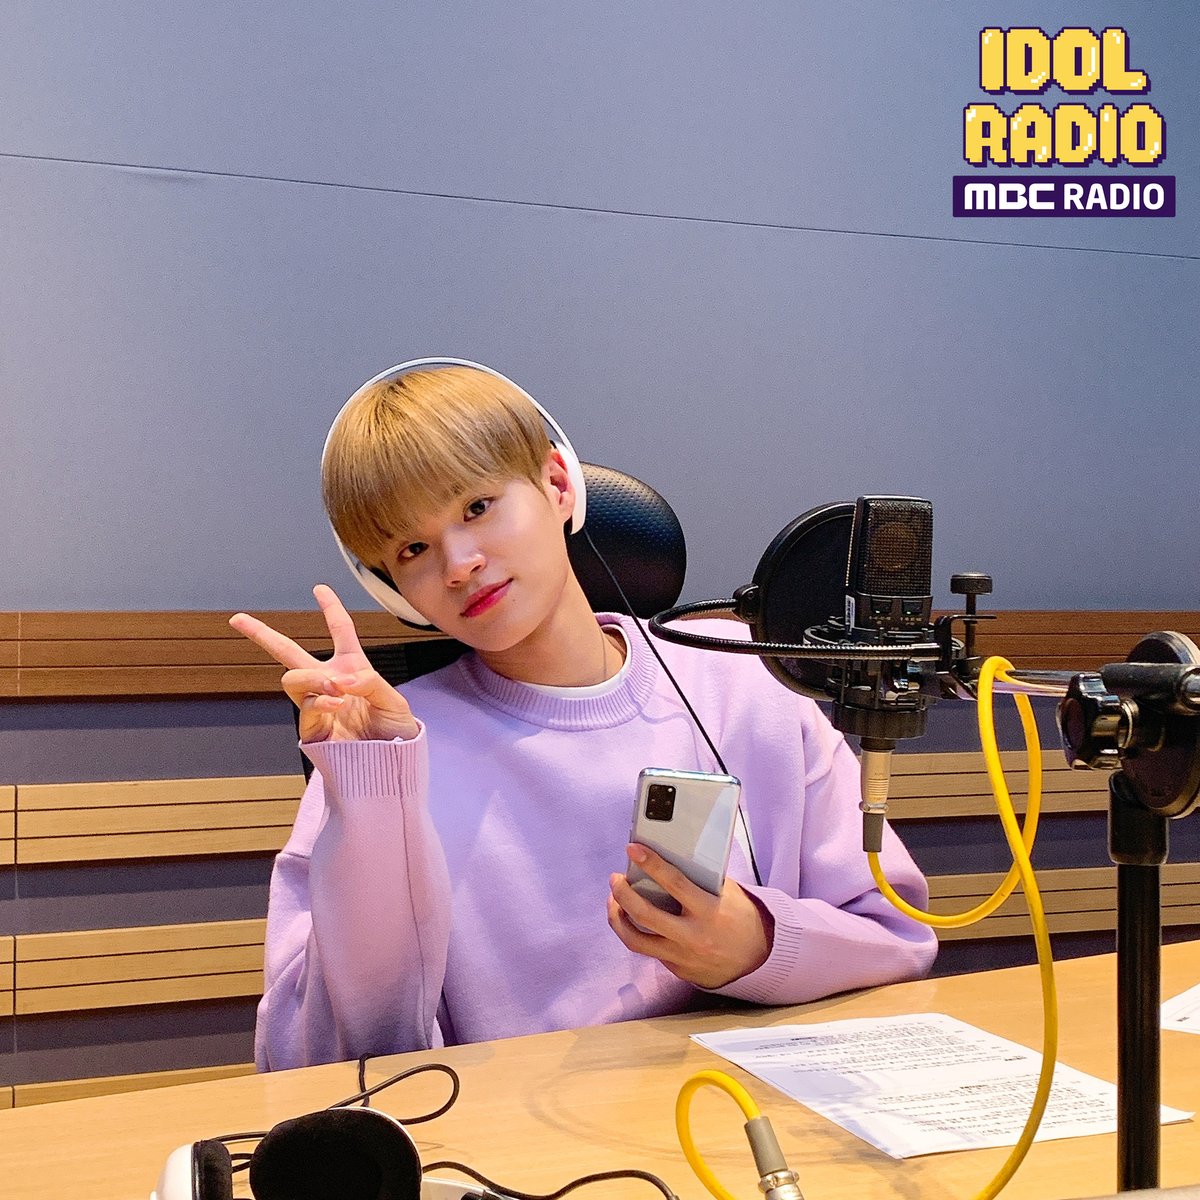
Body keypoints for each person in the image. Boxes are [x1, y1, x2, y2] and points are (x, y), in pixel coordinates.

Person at [231, 363, 937, 1071]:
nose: (459, 563)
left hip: (757, 1100)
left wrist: (758, 945)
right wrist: (371, 797)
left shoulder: (744, 678)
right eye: (412, 549)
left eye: (477, 506)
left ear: (558, 485)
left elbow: (896, 940)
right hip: (516, 1131)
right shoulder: (387, 747)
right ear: (393, 590)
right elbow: (313, 1065)